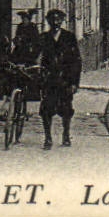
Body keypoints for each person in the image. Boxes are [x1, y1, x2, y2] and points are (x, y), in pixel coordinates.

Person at [38, 9, 82, 150]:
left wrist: (74, 82)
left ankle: (66, 134)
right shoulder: (44, 37)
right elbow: (36, 55)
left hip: (65, 79)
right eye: (52, 20)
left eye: (58, 20)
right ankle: (48, 138)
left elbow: (76, 61)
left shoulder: (69, 37)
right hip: (49, 80)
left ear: (62, 21)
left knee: (66, 109)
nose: (55, 23)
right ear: (48, 21)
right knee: (46, 109)